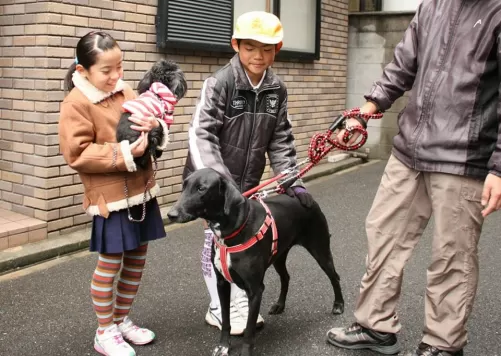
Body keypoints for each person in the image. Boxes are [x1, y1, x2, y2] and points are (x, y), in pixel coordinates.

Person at [325, 1, 501, 355]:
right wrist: (367, 110)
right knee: (383, 233)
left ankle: (442, 344)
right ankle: (375, 325)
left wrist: (499, 167)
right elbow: (402, 65)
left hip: (464, 155)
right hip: (410, 150)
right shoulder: (432, 6)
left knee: (452, 255)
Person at [183, 11, 314, 335]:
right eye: (251, 47)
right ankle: (218, 305)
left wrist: (291, 182)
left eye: (267, 48)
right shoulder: (220, 82)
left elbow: (281, 140)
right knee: (215, 239)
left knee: (241, 242)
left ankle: (239, 298)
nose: (259, 56)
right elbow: (202, 134)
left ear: (278, 49)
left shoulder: (276, 90)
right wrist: (222, 184)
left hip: (249, 184)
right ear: (236, 45)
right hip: (211, 185)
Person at [59, 31, 170, 356]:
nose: (116, 76)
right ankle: (104, 331)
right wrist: (123, 153)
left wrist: (155, 128)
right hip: (111, 200)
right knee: (110, 264)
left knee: (136, 261)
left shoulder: (124, 91)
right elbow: (76, 153)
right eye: (106, 70)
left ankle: (120, 320)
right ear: (83, 71)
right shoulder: (75, 103)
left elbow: (144, 124)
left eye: (119, 67)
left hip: (142, 192)